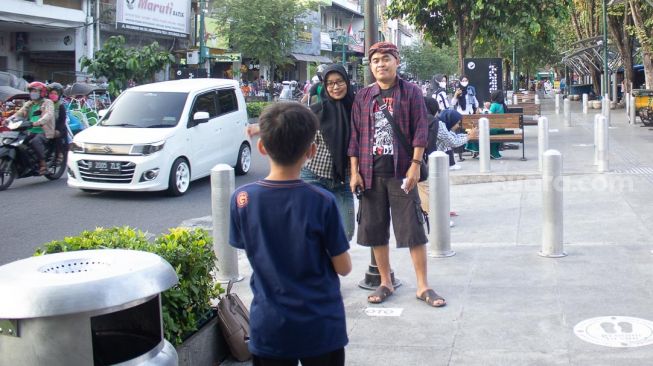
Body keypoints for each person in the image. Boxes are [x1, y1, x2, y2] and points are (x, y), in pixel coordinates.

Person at [230, 102, 351, 366]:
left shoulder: (242, 198)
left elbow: (250, 248)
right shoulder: (323, 201)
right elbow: (343, 267)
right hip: (321, 325)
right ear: (311, 150)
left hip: (270, 326)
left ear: (262, 147)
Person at [348, 41, 446, 308]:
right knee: (375, 229)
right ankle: (385, 281)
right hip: (370, 172)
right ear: (371, 66)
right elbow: (354, 137)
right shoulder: (363, 97)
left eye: (386, 59)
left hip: (402, 170)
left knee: (412, 228)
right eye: (376, 60)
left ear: (397, 61)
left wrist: (415, 164)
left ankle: (423, 285)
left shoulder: (412, 92)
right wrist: (354, 171)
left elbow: (421, 130)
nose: (381, 64)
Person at [302, 64, 355, 240]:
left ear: (347, 81)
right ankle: (320, 266)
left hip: (344, 181)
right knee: (315, 232)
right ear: (324, 86)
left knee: (346, 233)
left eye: (339, 82)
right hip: (313, 176)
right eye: (330, 83)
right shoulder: (316, 111)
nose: (335, 87)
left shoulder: (357, 109)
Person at [12, 81, 55, 174]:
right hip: (30, 130)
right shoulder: (29, 103)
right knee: (17, 141)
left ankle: (43, 164)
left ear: (42, 92)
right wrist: (9, 120)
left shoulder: (48, 103)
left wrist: (38, 122)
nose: (33, 93)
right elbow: (19, 113)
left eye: (35, 91)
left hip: (44, 130)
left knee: (36, 141)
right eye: (31, 91)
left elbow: (48, 114)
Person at [465, 90, 509, 159]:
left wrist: (481, 111)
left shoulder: (494, 105)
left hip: (494, 129)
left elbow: (487, 116)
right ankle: (492, 152)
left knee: (475, 132)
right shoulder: (503, 105)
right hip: (501, 129)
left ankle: (476, 150)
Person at [47, 82, 68, 163]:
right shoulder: (45, 104)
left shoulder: (60, 106)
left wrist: (58, 130)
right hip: (45, 126)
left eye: (55, 94)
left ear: (59, 95)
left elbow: (62, 120)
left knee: (56, 135)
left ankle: (59, 153)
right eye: (51, 93)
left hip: (58, 127)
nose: (53, 95)